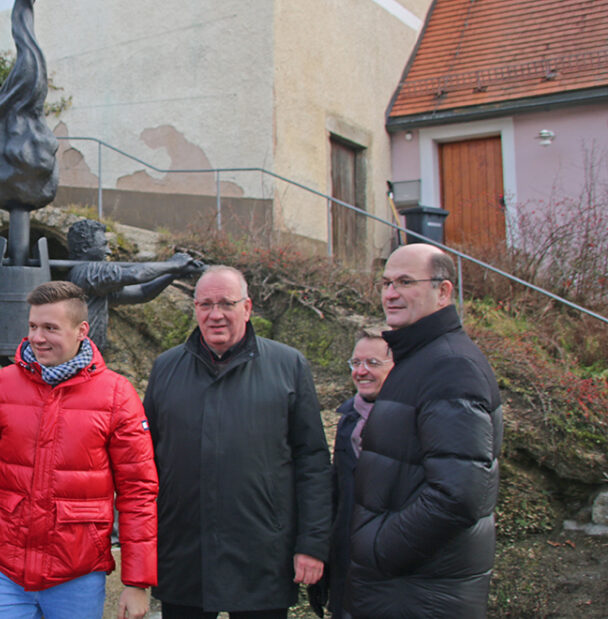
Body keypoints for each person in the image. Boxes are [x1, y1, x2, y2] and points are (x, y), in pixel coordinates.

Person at [0, 281, 158, 619]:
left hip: (78, 573)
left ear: (81, 331)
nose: (37, 337)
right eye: (32, 326)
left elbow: (138, 493)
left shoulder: (118, 396)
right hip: (4, 571)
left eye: (50, 328)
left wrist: (137, 581)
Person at [143, 265, 331, 618]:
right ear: (195, 308)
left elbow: (313, 462)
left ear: (247, 307)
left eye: (226, 304)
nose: (216, 315)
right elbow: (144, 463)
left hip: (262, 554)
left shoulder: (288, 366)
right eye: (205, 304)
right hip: (184, 554)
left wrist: (313, 543)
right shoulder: (166, 368)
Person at [347, 243, 502, 618]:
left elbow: (459, 493)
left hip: (420, 590)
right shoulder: (420, 359)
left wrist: (381, 547)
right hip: (406, 586)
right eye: (385, 283)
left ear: (443, 291)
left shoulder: (450, 366)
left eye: (405, 282)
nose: (391, 293)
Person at [314, 327, 394, 619]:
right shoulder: (348, 419)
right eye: (356, 363)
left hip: (393, 573)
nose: (361, 371)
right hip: (348, 568)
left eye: (373, 363)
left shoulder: (415, 422)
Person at [66, 219, 202, 351]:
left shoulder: (96, 284)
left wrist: (173, 274)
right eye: (103, 245)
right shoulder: (89, 271)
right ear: (85, 248)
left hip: (90, 358)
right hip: (79, 358)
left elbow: (142, 293)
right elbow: (136, 275)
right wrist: (174, 264)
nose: (108, 251)